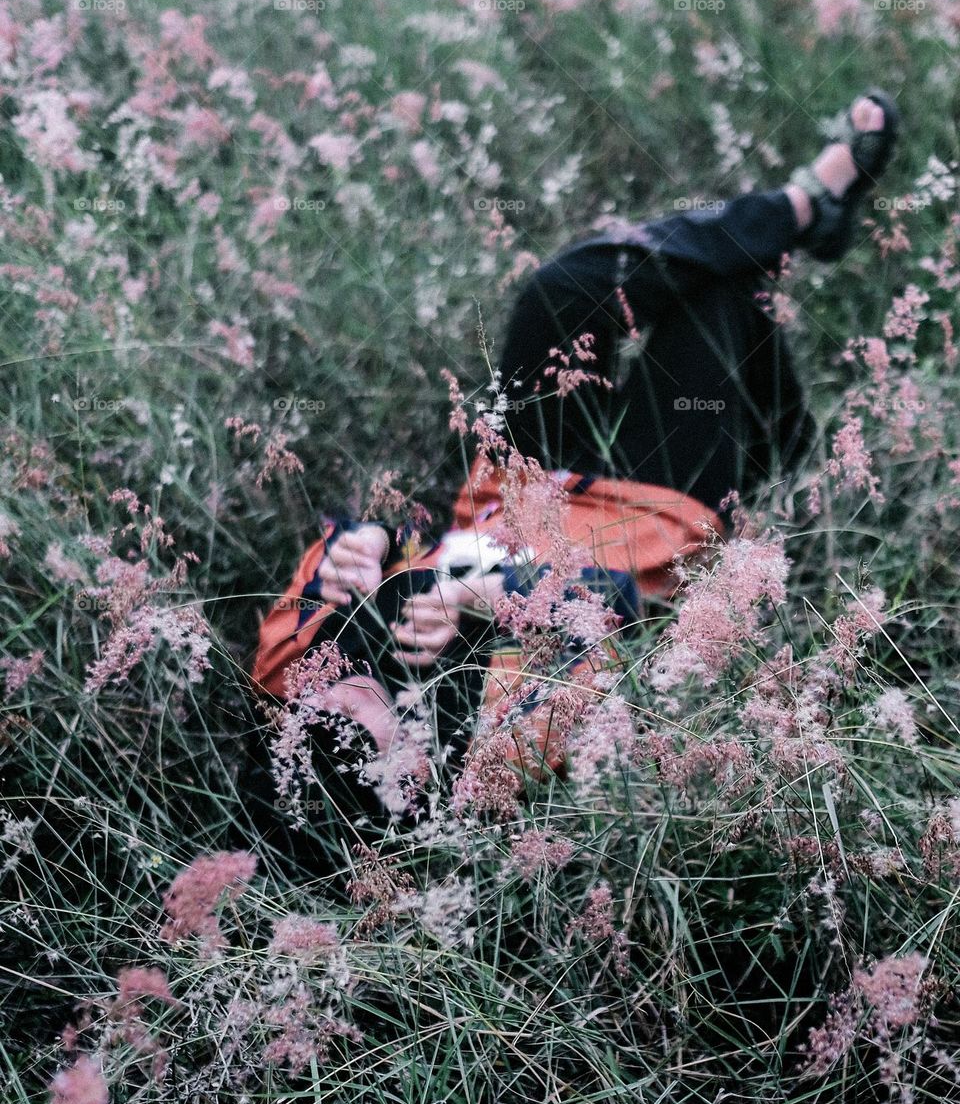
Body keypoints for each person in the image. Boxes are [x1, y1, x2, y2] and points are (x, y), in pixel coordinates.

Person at [252, 90, 900, 783]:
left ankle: (797, 213)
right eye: (362, 723)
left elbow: (334, 561)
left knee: (561, 290)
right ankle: (791, 312)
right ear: (397, 775)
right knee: (715, 297)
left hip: (517, 486)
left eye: (322, 706)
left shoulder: (293, 679)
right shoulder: (492, 754)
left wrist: (367, 541)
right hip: (652, 510)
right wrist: (493, 598)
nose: (347, 693)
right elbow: (607, 625)